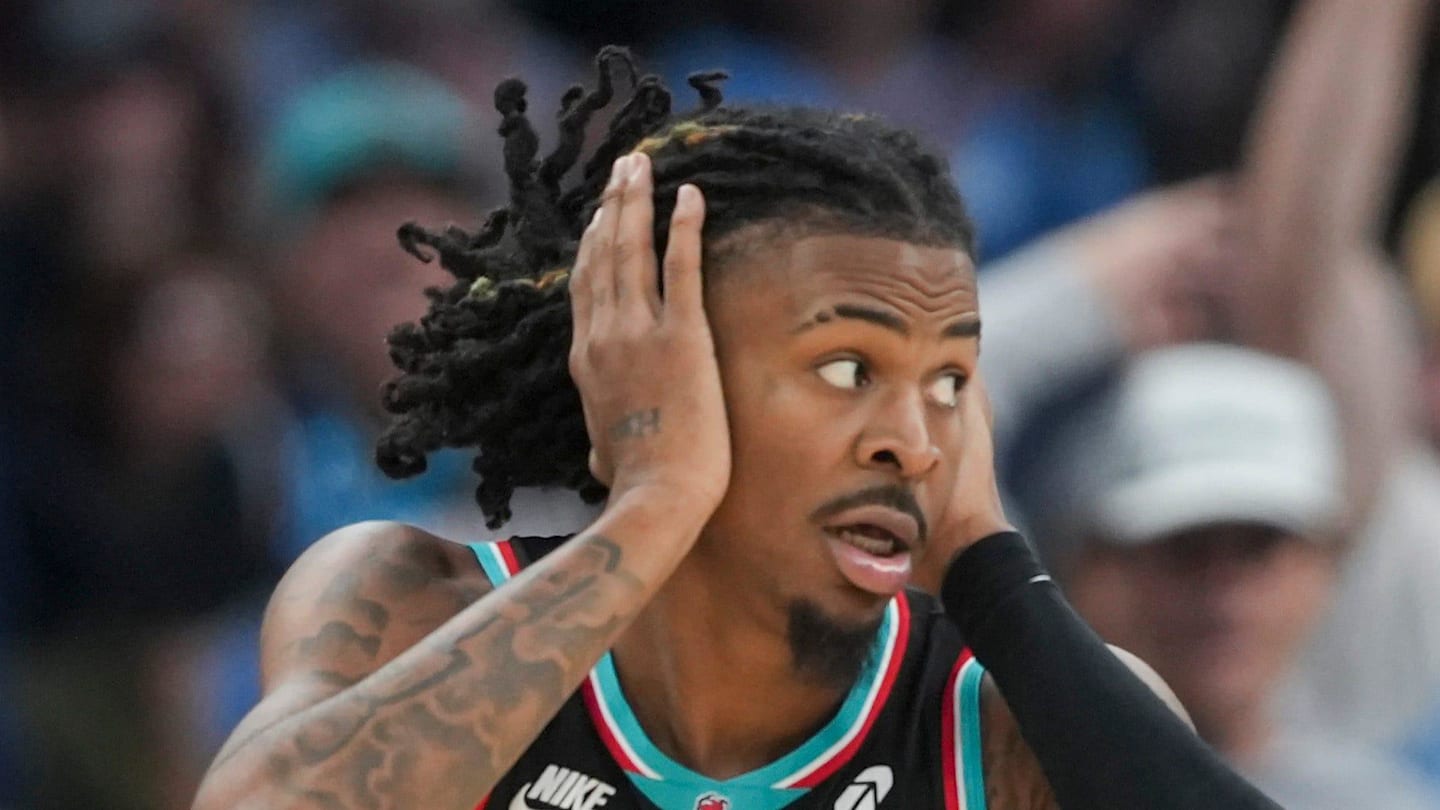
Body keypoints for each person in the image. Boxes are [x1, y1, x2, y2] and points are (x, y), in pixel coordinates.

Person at [193, 49, 1282, 809]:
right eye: (848, 368)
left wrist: (992, 569)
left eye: (950, 378)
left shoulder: (1004, 720)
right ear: (658, 364)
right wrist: (656, 500)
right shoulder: (406, 600)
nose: (912, 437)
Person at [1025, 343, 1440, 809]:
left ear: (1325, 567)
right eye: (1186, 546)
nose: (1225, 590)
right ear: (1099, 570)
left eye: (1258, 546)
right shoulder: (1013, 786)